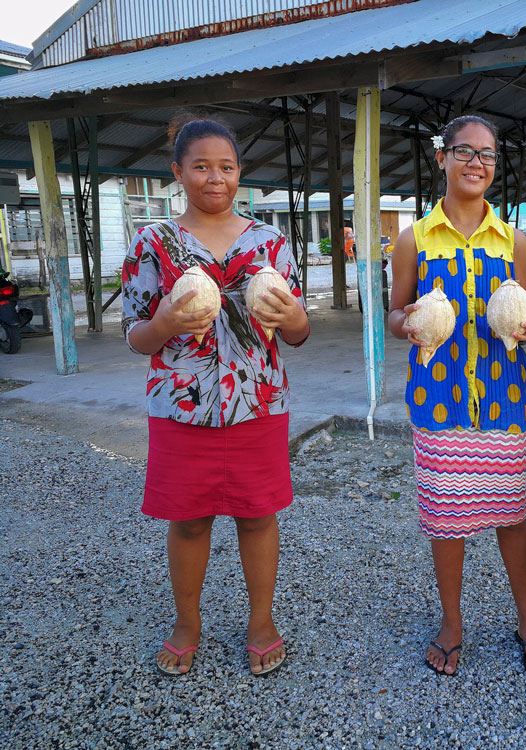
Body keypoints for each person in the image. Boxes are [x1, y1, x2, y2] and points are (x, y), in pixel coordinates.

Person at [121, 116, 310, 677]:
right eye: (200, 166)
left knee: (257, 517)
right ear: (178, 173)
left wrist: (298, 316)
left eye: (225, 167)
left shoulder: (270, 242)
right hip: (183, 405)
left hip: (259, 402)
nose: (214, 177)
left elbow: (297, 333)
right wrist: (162, 323)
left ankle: (260, 621)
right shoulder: (153, 241)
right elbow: (135, 334)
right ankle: (187, 622)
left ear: (240, 174)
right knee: (190, 520)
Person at [388, 115, 526, 677]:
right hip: (439, 394)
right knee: (446, 518)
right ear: (442, 158)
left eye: (486, 154)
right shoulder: (414, 238)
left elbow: (520, 311)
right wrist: (407, 322)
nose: (476, 163)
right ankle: (452, 620)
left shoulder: (515, 242)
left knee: (512, 515)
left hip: (504, 394)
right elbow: (393, 312)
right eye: (464, 151)